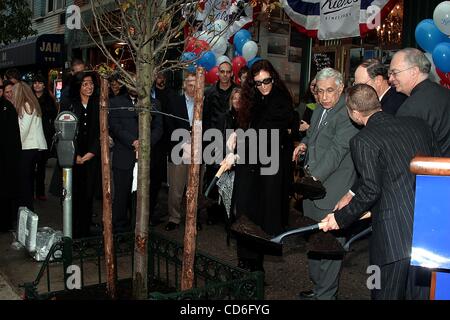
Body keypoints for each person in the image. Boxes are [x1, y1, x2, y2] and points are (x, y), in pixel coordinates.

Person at [321, 84, 440, 300]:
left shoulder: (362, 140)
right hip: (429, 231)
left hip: (391, 237)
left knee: (382, 292)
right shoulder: (420, 125)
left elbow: (370, 189)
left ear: (354, 114)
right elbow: (433, 170)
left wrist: (340, 218)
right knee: (422, 295)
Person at [292, 68, 359, 300]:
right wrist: (303, 143)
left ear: (341, 89)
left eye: (330, 91)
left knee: (330, 248)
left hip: (333, 191)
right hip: (314, 190)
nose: (324, 97)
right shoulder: (320, 108)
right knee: (315, 243)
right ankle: (318, 288)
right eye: (320, 91)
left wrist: (311, 178)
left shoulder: (347, 113)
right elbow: (314, 136)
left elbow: (337, 151)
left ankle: (326, 295)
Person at [230, 59, 296, 272]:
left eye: (266, 81)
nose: (263, 86)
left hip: (268, 170)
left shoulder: (281, 100)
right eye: (258, 83)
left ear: (273, 78)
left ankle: (256, 267)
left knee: (261, 216)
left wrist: (241, 141)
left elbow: (267, 133)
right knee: (244, 212)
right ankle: (245, 260)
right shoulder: (252, 99)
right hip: (248, 166)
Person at [109, 79, 164, 232]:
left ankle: (140, 230)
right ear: (126, 85)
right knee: (121, 196)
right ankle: (119, 229)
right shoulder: (115, 102)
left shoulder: (154, 104)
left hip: (146, 158)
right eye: (131, 83)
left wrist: (145, 143)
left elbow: (159, 128)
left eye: (138, 82)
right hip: (124, 156)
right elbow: (115, 127)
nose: (135, 86)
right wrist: (133, 142)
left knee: (145, 196)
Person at [60, 72, 100, 238]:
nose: (89, 87)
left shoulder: (98, 104)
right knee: (73, 195)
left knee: (88, 196)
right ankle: (72, 233)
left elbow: (101, 130)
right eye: (85, 84)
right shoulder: (70, 105)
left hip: (91, 157)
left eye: (90, 83)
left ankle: (85, 232)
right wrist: (74, 154)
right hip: (72, 158)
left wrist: (92, 152)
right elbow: (63, 131)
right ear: (78, 86)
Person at [389, 48, 450, 157]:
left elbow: (404, 156)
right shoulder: (445, 93)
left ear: (414, 72)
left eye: (394, 72)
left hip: (431, 171)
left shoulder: (410, 109)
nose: (390, 79)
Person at [164, 72, 203, 231]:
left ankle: (193, 217)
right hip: (178, 151)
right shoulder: (174, 101)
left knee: (195, 187)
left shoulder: (203, 102)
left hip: (199, 152)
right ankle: (174, 217)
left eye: (196, 84)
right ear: (184, 85)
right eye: (190, 84)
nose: (193, 87)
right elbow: (168, 124)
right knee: (176, 188)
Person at [203, 60, 237, 225]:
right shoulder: (209, 92)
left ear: (231, 73)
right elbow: (205, 118)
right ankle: (212, 214)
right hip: (213, 141)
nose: (224, 74)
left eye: (227, 72)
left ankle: (227, 215)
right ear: (218, 73)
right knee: (212, 177)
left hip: (232, 143)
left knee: (229, 179)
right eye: (221, 71)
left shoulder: (237, 91)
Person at [13, 82, 48, 211]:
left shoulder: (27, 105)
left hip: (28, 148)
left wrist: (14, 147)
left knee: (25, 182)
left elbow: (23, 130)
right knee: (27, 181)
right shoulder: (32, 104)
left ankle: (27, 210)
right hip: (33, 149)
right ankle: (27, 208)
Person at [32, 74, 58, 201]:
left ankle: (40, 192)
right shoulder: (29, 97)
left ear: (44, 85)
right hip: (31, 135)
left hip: (44, 135)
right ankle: (30, 191)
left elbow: (54, 117)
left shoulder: (49, 99)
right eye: (35, 82)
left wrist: (51, 132)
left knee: (41, 165)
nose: (37, 85)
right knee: (30, 166)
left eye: (40, 82)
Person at [0, 79, 22, 232]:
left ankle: (5, 223)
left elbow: (14, 138)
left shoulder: (8, 108)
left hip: (6, 159)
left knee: (5, 192)